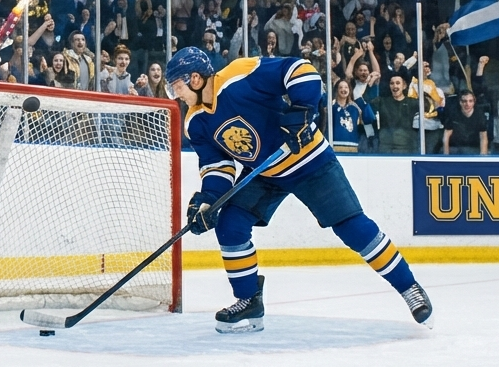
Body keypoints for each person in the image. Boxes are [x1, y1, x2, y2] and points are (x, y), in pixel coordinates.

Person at [165, 47, 432, 332]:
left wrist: (303, 109)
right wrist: (209, 200)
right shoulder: (195, 122)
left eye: (177, 87)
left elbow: (300, 69)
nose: (176, 94)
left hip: (310, 161)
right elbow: (217, 165)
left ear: (194, 78)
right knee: (230, 224)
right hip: (265, 172)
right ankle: (248, 302)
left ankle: (409, 287)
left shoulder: (239, 75)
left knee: (352, 227)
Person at [329, 78, 374, 154]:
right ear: (337, 90)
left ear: (349, 89)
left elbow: (368, 119)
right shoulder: (331, 106)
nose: (343, 89)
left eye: (346, 87)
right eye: (340, 87)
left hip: (353, 146)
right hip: (334, 145)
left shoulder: (355, 107)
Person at [376, 74, 418, 153]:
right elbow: (365, 108)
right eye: (392, 83)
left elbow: (429, 106)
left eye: (398, 83)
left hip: (405, 148)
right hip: (385, 148)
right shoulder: (382, 102)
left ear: (404, 86)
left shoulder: (412, 102)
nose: (395, 86)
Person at [443, 90, 489, 155]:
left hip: (474, 148)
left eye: (470, 101)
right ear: (460, 102)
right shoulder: (453, 113)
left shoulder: (480, 115)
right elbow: (446, 136)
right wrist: (446, 155)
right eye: (464, 101)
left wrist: (483, 157)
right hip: (455, 147)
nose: (468, 104)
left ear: (474, 102)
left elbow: (483, 136)